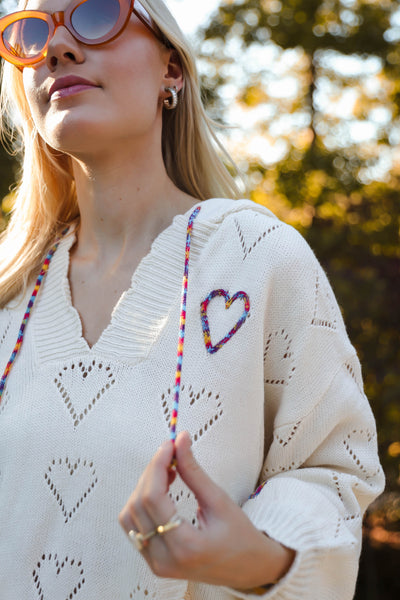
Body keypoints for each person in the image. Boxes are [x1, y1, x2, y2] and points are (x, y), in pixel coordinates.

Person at [0, 1, 384, 599]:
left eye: (97, 12)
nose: (58, 48)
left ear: (171, 72)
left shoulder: (258, 257)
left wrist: (261, 557)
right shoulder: (8, 294)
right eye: (30, 34)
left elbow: (334, 470)